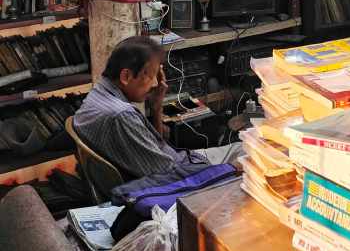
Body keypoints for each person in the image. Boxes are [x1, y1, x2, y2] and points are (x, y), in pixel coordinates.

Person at [73, 36, 243, 188]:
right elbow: (169, 174)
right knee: (248, 154)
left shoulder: (99, 92)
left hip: (179, 164)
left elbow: (158, 144)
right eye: (152, 75)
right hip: (183, 177)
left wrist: (156, 107)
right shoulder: (121, 115)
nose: (156, 83)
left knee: (243, 148)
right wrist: (229, 169)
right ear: (126, 76)